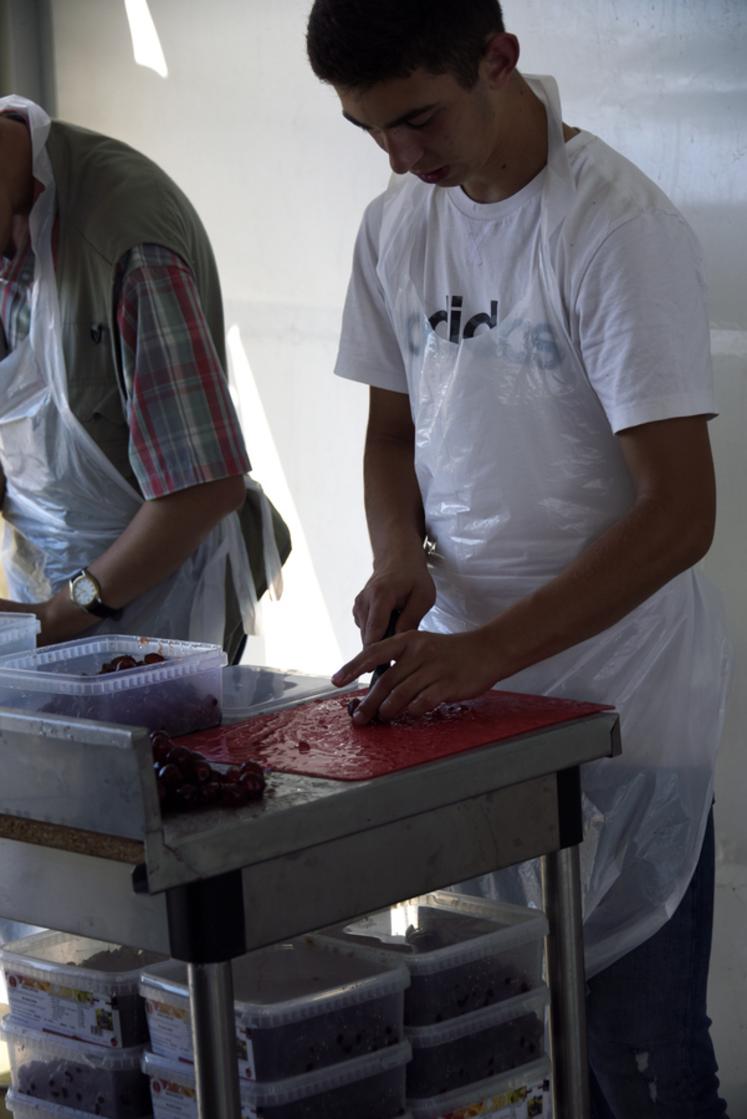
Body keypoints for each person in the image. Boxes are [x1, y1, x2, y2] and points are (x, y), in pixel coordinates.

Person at [306, 2, 730, 1115]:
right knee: (504, 1048)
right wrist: (403, 554)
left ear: (500, 60)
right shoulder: (399, 222)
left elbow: (681, 515)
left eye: (419, 120)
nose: (402, 157)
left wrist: (486, 650)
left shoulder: (613, 227)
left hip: (625, 701)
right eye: (371, 133)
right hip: (474, 705)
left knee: (641, 1057)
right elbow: (394, 434)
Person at [0, 95, 289, 661]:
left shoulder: (126, 242)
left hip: (167, 603)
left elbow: (205, 489)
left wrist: (61, 613)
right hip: (45, 590)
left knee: (156, 745)